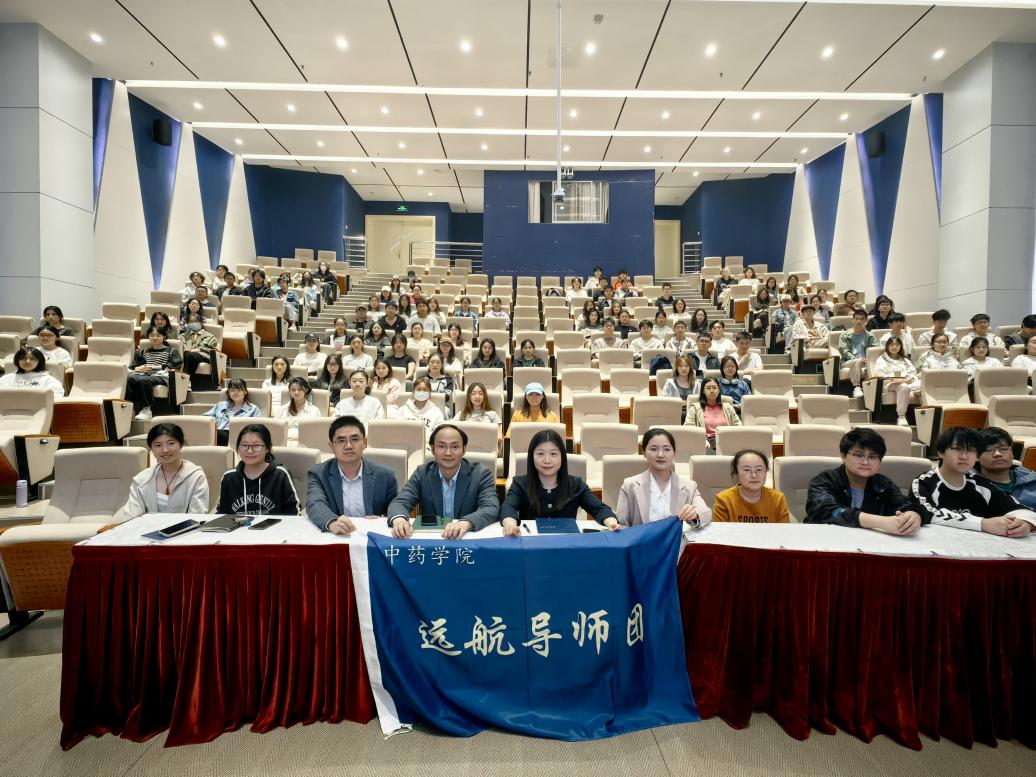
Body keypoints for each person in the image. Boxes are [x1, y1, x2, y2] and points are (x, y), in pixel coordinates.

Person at [913, 427, 1035, 537]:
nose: (964, 456)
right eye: (957, 449)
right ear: (941, 452)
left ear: (977, 456)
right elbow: (924, 512)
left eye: (971, 450)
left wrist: (1025, 522)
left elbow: (1016, 507)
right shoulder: (925, 481)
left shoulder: (981, 483)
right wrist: (982, 523)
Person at [387, 424, 499, 539]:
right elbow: (400, 502)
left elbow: (491, 507)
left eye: (455, 447)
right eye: (441, 446)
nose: (448, 453)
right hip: (432, 538)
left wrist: (466, 523)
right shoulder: (422, 473)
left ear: (464, 449)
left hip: (466, 537)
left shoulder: (480, 474)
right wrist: (399, 520)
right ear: (432, 449)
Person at [805, 428, 923, 533]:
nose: (865, 462)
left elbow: (903, 505)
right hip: (826, 540)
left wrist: (913, 514)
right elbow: (823, 512)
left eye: (872, 457)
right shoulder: (826, 480)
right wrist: (880, 522)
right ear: (843, 456)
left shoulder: (883, 484)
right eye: (858, 455)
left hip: (869, 543)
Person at [500, 429, 617, 533]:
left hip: (567, 545)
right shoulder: (520, 483)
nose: (547, 460)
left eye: (553, 454)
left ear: (562, 457)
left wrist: (611, 523)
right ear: (531, 457)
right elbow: (507, 509)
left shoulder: (576, 484)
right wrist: (511, 526)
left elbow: (599, 509)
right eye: (540, 453)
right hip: (532, 545)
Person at [306, 415, 400, 534]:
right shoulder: (318, 474)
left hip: (372, 535)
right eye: (341, 441)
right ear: (331, 446)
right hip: (337, 536)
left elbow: (396, 505)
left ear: (365, 442)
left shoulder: (385, 475)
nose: (348, 446)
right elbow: (315, 503)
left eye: (355, 439)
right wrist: (331, 522)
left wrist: (383, 519)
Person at [616, 428, 712, 528]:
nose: (660, 455)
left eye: (667, 449)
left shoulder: (689, 486)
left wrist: (695, 515)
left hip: (676, 538)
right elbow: (621, 524)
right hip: (641, 538)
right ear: (644, 452)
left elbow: (706, 513)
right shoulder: (630, 485)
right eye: (653, 449)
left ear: (674, 453)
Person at [119, 423, 209, 518]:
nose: (165, 450)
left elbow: (197, 516)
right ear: (151, 448)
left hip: (186, 527)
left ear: (181, 444)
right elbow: (131, 517)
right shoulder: (142, 479)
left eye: (171, 443)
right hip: (148, 527)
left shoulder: (196, 477)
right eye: (158, 445)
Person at [216, 424, 300, 516]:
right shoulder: (229, 477)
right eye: (244, 445)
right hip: (237, 526)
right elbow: (221, 514)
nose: (249, 451)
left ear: (268, 448)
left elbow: (294, 513)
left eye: (256, 445)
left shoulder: (280, 475)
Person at [713, 450, 789, 523]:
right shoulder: (723, 500)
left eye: (759, 469)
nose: (754, 475)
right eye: (747, 470)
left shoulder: (778, 499)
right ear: (736, 473)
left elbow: (784, 530)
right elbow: (720, 531)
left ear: (766, 472)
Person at [126, 327, 182, 421]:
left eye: (158, 335)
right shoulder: (144, 351)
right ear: (148, 337)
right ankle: (130, 407)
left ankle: (146, 409)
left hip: (162, 376)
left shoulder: (171, 350)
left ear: (164, 337)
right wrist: (139, 368)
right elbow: (135, 365)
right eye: (152, 335)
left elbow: (176, 364)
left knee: (143, 381)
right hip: (145, 374)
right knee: (129, 378)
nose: (155, 338)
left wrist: (156, 367)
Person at [973, 427, 1036, 509]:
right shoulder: (969, 486)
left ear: (1012, 453)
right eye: (988, 450)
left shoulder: (1033, 480)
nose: (997, 454)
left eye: (1003, 449)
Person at [872, 336, 919, 426]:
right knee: (903, 387)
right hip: (890, 384)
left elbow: (913, 373)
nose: (894, 347)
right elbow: (879, 374)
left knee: (923, 385)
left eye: (897, 345)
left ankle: (926, 412)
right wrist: (895, 378)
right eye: (892, 345)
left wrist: (911, 378)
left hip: (906, 382)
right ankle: (901, 416)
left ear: (900, 346)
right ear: (887, 346)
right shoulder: (882, 359)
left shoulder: (905, 360)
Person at [685, 377, 740, 450]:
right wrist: (702, 440)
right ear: (703, 391)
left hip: (727, 441)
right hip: (707, 443)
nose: (711, 391)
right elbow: (689, 428)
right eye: (708, 388)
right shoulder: (694, 408)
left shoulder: (728, 407)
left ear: (719, 390)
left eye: (714, 388)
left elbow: (739, 426)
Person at [204, 378, 260, 445]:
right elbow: (205, 417)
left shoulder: (253, 409)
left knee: (217, 434)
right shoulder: (221, 405)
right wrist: (214, 422)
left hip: (238, 437)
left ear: (245, 392)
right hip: (218, 434)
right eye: (232, 390)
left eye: (239, 390)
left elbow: (258, 428)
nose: (235, 392)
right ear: (228, 392)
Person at [838, 309, 879, 398]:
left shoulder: (870, 335)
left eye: (862, 319)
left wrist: (868, 360)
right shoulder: (844, 335)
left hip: (865, 362)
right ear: (852, 320)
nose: (859, 321)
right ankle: (856, 387)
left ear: (866, 321)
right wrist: (856, 359)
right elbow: (844, 351)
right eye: (856, 319)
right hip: (848, 362)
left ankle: (874, 389)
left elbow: (875, 350)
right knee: (856, 361)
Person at [0, 347, 64, 397]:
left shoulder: (48, 380)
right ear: (17, 360)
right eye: (23, 358)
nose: (27, 361)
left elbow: (56, 396)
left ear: (39, 361)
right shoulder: (6, 378)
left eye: (32, 359)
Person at [276, 377, 321, 446]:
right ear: (289, 392)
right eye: (293, 390)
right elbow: (276, 429)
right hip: (283, 443)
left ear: (306, 390)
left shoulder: (314, 410)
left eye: (300, 389)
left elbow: (317, 432)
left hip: (306, 443)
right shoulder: (281, 410)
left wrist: (299, 437)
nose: (296, 392)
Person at [398, 376, 445, 440]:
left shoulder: (436, 412)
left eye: (425, 390)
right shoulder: (403, 410)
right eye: (418, 389)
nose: (421, 392)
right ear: (413, 391)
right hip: (406, 442)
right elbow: (398, 431)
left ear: (429, 392)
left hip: (427, 443)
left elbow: (439, 433)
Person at [179, 313, 217, 377]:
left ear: (201, 322)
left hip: (203, 356)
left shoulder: (210, 336)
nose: (193, 323)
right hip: (186, 355)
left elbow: (213, 350)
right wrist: (185, 348)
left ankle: (186, 376)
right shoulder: (183, 336)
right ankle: (187, 377)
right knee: (188, 354)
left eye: (196, 321)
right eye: (191, 322)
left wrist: (200, 350)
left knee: (191, 355)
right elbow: (179, 346)